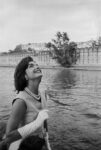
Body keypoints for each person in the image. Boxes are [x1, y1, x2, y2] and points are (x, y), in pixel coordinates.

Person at [5, 56, 51, 150]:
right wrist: (36, 123)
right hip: (24, 146)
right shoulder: (20, 101)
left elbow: (44, 123)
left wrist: (47, 143)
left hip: (38, 143)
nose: (37, 67)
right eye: (31, 66)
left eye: (37, 65)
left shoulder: (43, 94)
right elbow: (9, 137)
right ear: (25, 76)